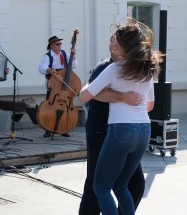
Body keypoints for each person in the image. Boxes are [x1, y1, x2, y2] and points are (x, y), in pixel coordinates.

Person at [79, 20, 162, 215]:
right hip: (142, 129)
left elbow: (84, 96)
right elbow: (149, 105)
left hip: (120, 131)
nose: (113, 44)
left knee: (101, 187)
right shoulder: (147, 69)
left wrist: (90, 88)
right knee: (120, 185)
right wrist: (126, 97)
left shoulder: (114, 69)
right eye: (113, 40)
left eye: (117, 41)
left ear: (125, 46)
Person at [38, 35, 78, 137]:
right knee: (49, 106)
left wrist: (73, 57)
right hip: (54, 82)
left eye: (60, 44)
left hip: (64, 81)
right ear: (51, 46)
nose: (59, 45)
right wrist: (48, 69)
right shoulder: (47, 56)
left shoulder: (64, 53)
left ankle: (63, 128)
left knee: (65, 104)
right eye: (57, 44)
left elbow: (74, 66)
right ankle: (47, 129)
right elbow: (41, 67)